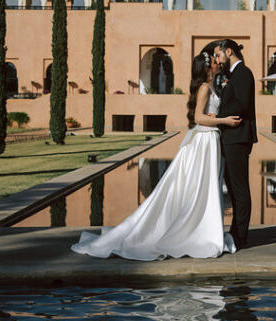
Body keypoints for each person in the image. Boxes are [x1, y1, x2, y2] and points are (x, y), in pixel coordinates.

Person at [70, 51, 241, 260]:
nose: (218, 64)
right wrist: (224, 121)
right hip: (204, 141)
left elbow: (205, 114)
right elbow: (198, 117)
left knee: (204, 186)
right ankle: (194, 231)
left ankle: (202, 227)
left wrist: (216, 117)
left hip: (210, 141)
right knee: (197, 186)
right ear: (207, 68)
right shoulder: (205, 87)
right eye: (215, 62)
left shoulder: (213, 86)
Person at [214, 39, 257, 251]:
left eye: (219, 55)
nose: (217, 60)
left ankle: (241, 237)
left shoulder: (244, 73)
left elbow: (241, 104)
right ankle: (236, 232)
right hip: (231, 138)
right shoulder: (234, 75)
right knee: (233, 188)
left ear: (228, 51)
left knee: (239, 190)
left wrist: (219, 116)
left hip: (238, 138)